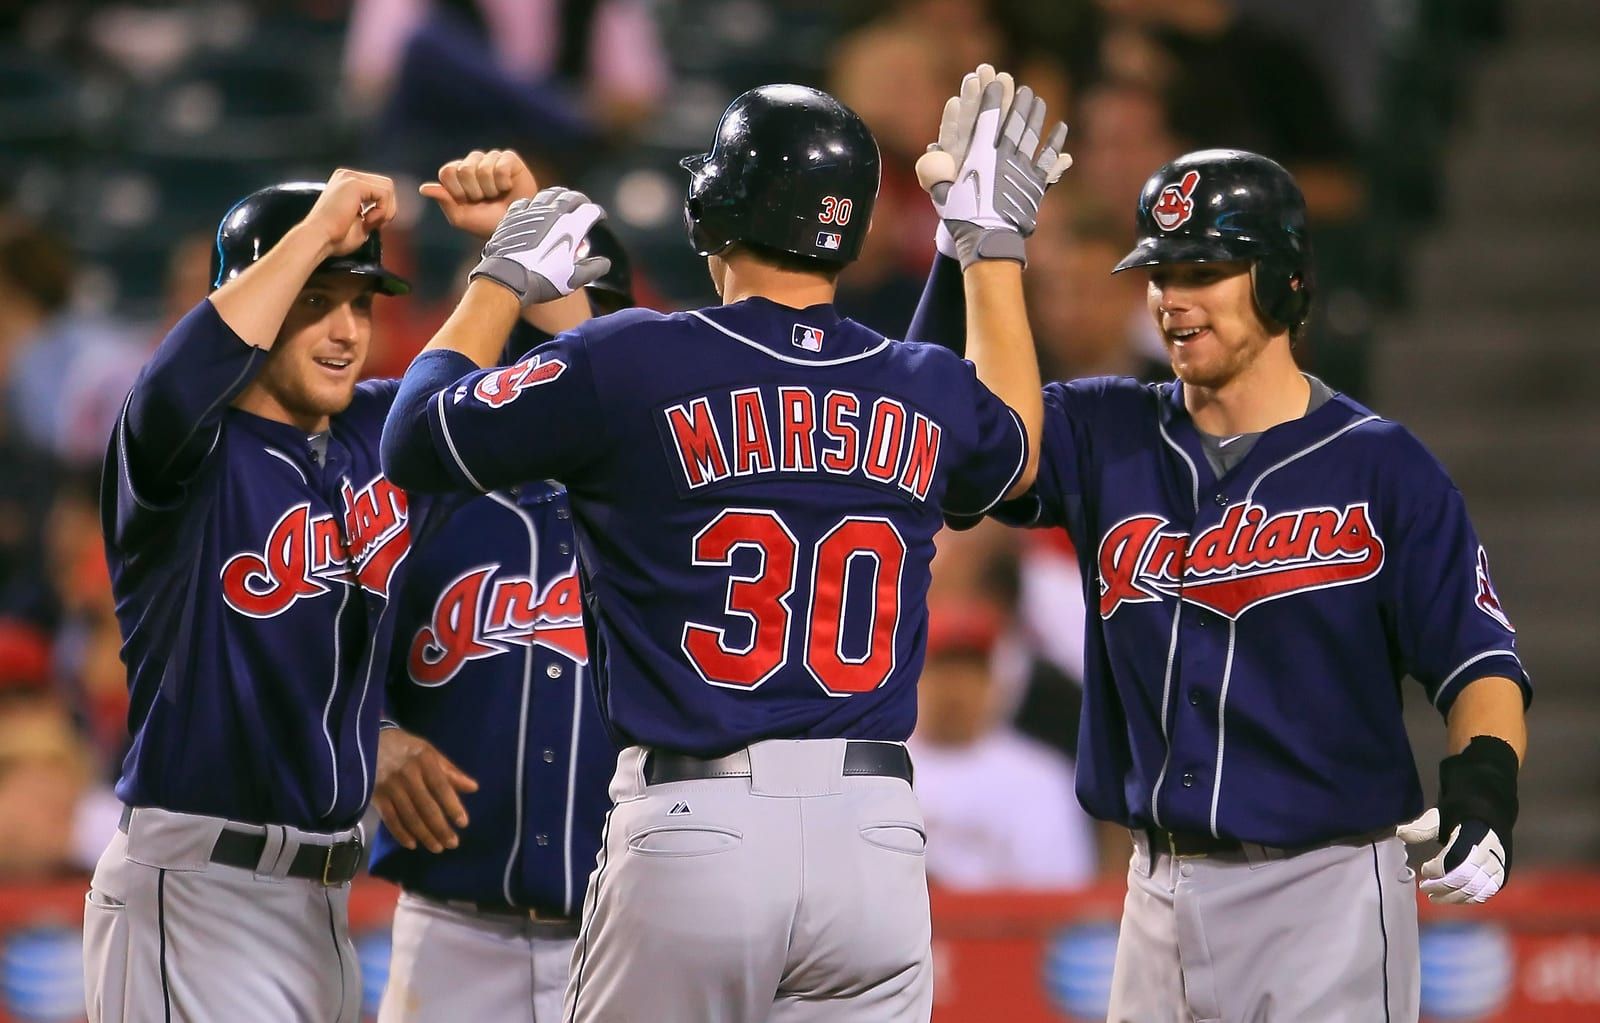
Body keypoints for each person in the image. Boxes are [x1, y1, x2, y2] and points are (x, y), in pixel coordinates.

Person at [380, 73, 1065, 1022]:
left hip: (699, 822)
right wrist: (987, 246)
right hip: (873, 838)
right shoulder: (917, 383)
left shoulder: (632, 355)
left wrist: (502, 269)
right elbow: (1014, 455)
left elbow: (414, 439)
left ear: (716, 208)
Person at [911, 143, 1530, 1021]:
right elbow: (957, 447)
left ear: (1280, 282)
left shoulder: (1382, 466)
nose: (1172, 298)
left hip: (1328, 890)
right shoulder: (1103, 427)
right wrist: (975, 250)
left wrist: (1484, 792)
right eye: (1160, 273)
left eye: (1204, 270)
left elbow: (1479, 660)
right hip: (1154, 890)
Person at [83, 169, 415, 1023]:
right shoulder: (182, 450)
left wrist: (507, 245)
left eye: (360, 303)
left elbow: (492, 369)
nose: (345, 331)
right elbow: (179, 378)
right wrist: (316, 228)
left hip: (327, 900)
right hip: (200, 892)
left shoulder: (371, 431)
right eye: (314, 301)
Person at [368, 149, 629, 1023]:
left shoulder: (668, 510)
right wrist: (372, 730)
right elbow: (310, 635)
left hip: (631, 932)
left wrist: (538, 224)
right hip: (449, 933)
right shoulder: (418, 494)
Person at [909, 602, 1097, 891]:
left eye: (972, 672)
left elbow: (1059, 896)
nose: (957, 688)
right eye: (943, 670)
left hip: (1006, 934)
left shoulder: (1040, 777)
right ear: (916, 677)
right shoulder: (876, 766)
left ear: (996, 682)